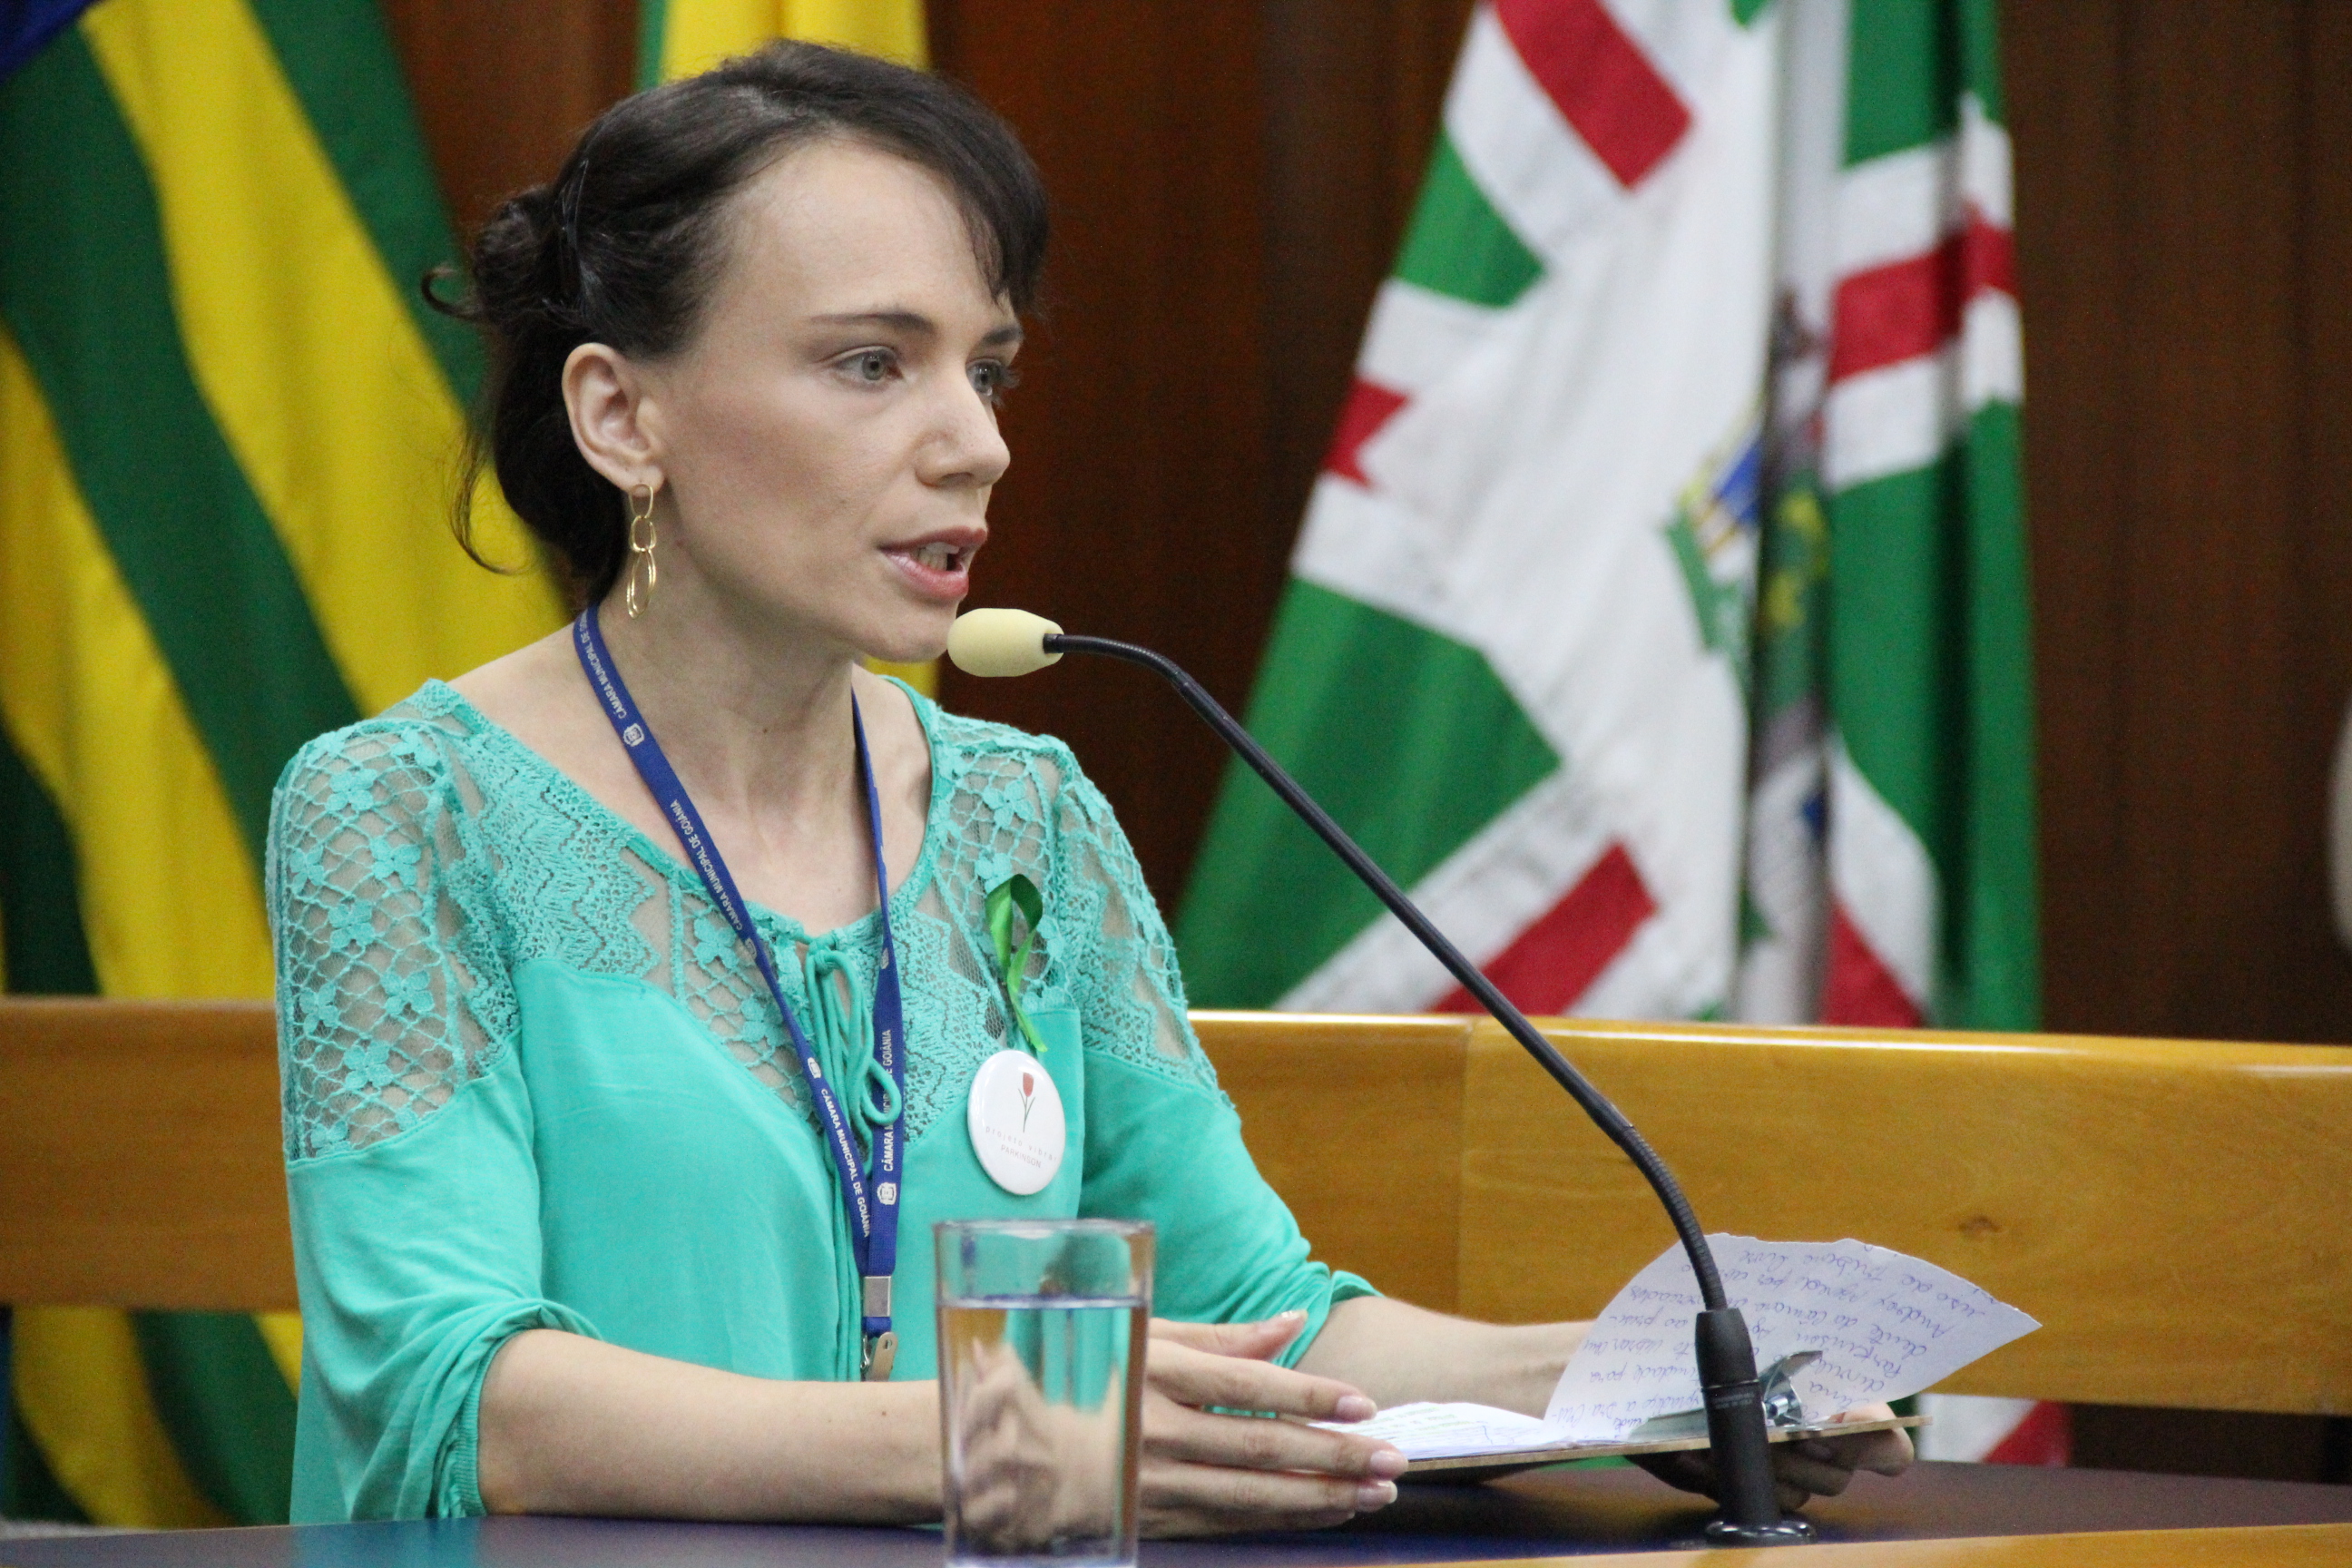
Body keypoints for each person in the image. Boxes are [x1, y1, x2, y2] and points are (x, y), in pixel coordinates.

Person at [265, 42, 1910, 1532]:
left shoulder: (1023, 819)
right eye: (871, 364)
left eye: (985, 369)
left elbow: (1263, 1314)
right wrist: (996, 1439)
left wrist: (1641, 1384)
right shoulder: (402, 812)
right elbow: (455, 1396)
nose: (974, 443)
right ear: (622, 413)